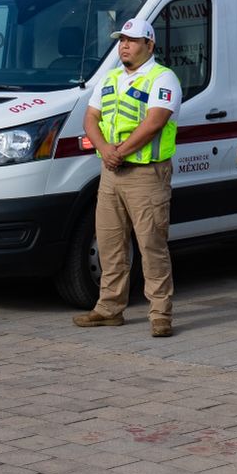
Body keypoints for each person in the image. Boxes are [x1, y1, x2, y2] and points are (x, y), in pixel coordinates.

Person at [74, 17, 180, 337]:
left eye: (132, 41)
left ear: (149, 45)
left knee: (151, 245)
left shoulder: (163, 78)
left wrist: (118, 152)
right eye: (122, 40)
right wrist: (105, 149)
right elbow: (90, 118)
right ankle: (109, 308)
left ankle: (160, 313)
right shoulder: (110, 78)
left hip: (146, 173)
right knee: (110, 243)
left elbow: (155, 122)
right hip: (111, 172)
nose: (124, 46)